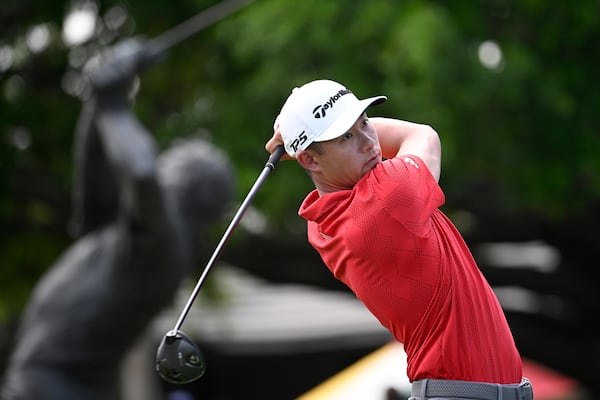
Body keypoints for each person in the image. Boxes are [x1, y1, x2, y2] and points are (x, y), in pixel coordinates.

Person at [265, 79, 533, 400]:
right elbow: (422, 135)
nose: (368, 142)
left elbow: (366, 149)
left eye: (365, 123)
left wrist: (305, 135)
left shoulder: (323, 224)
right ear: (309, 160)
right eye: (347, 136)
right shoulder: (387, 198)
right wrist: (300, 136)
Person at [1, 39, 235, 400]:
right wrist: (101, 100)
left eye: (173, 159)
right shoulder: (125, 236)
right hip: (53, 383)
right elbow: (95, 178)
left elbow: (141, 173)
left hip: (56, 388)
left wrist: (111, 101)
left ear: (186, 183)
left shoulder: (163, 245)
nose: (161, 161)